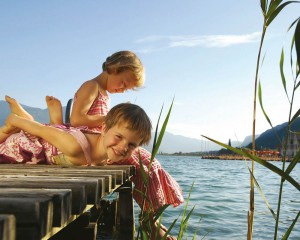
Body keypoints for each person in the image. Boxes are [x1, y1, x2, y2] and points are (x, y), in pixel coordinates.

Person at [1, 96, 184, 239]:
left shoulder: (107, 152)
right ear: (103, 129)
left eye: (131, 145)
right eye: (119, 137)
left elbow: (138, 159)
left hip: (55, 141)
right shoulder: (75, 147)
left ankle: (25, 118)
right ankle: (20, 119)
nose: (122, 147)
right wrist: (11, 126)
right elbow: (39, 131)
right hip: (23, 147)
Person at [70, 50, 145, 133]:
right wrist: (112, 118)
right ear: (114, 68)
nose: (123, 91)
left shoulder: (106, 96)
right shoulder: (92, 86)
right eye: (124, 84)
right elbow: (76, 120)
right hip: (84, 140)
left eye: (126, 89)